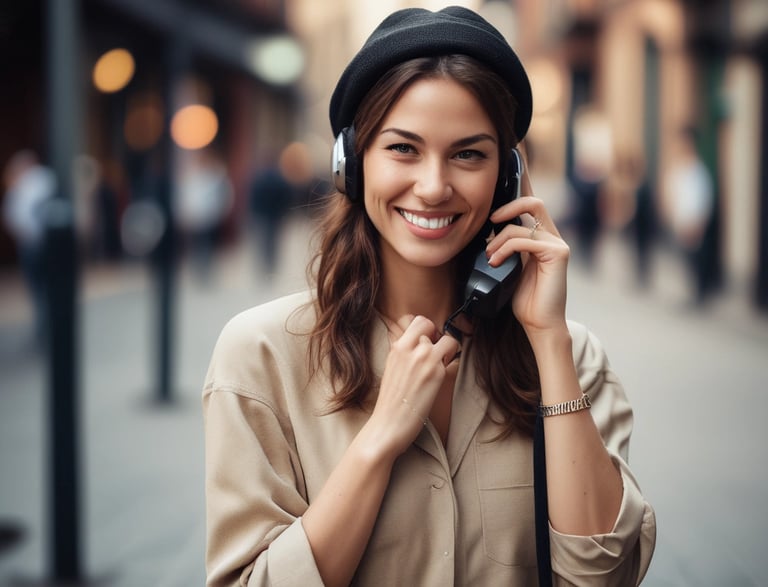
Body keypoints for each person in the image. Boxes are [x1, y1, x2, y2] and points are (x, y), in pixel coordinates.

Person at [203, 7, 656, 586]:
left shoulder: (570, 356)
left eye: (468, 153)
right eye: (403, 149)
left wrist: (549, 343)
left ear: (508, 177)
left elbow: (605, 577)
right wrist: (379, 441)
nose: (435, 186)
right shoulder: (260, 356)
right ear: (352, 163)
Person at [2, 149, 57, 345]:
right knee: (41, 288)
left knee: (41, 287)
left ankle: (46, 326)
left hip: (38, 244)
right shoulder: (28, 182)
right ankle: (45, 326)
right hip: (34, 243)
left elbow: (16, 215)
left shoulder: (36, 181)